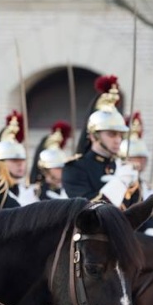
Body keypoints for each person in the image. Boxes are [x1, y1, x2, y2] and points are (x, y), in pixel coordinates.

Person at [62, 77, 138, 209]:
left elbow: (136, 210)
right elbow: (89, 210)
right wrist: (118, 184)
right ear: (93, 136)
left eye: (120, 135)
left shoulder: (122, 167)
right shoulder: (75, 168)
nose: (118, 140)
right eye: (111, 134)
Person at [0, 112, 38, 212]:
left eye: (22, 160)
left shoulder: (30, 192)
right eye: (14, 160)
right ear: (0, 162)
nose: (20, 164)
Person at [119, 112, 153, 237]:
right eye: (135, 157)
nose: (140, 162)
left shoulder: (145, 185)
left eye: (142, 158)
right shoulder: (120, 181)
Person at [30, 121, 71, 201]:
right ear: (46, 169)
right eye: (57, 167)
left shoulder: (68, 188)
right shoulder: (36, 193)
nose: (62, 170)